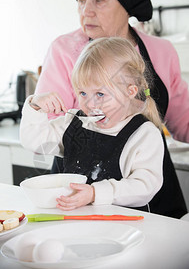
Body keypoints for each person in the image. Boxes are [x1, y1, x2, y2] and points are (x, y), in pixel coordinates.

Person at [34, 0, 189, 218]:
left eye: (99, 0)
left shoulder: (161, 51)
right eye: (80, 0)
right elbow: (47, 135)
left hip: (149, 196)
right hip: (78, 198)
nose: (86, 12)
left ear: (126, 3)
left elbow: (184, 120)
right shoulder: (64, 50)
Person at [20, 37, 164, 212]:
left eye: (100, 94)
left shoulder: (144, 134)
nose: (90, 105)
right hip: (76, 224)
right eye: (82, 93)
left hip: (122, 229)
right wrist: (35, 106)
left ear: (130, 91)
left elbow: (144, 186)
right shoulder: (75, 123)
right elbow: (34, 140)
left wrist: (95, 193)